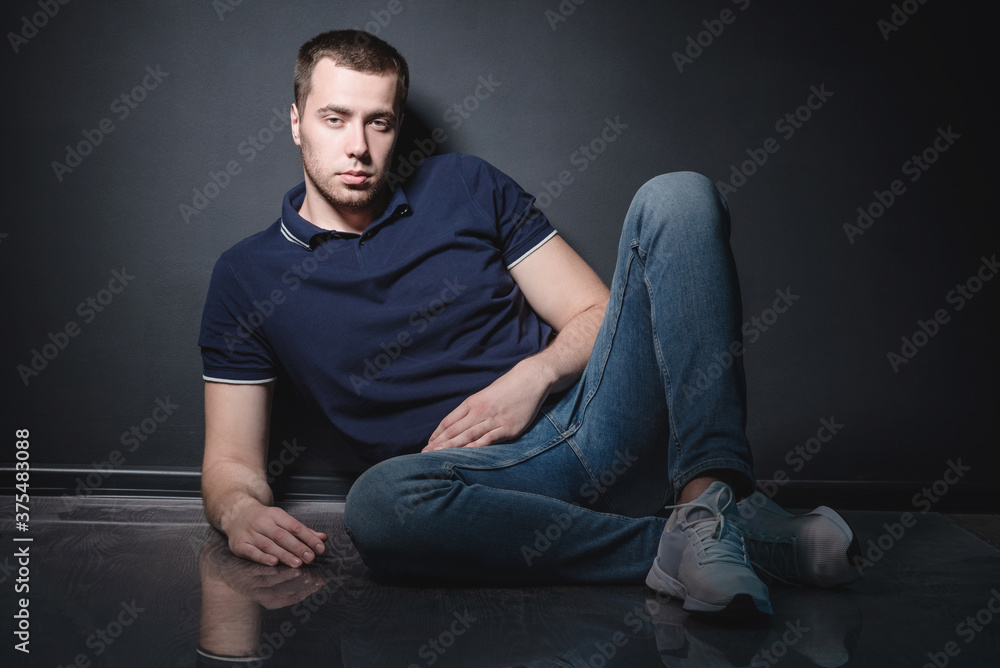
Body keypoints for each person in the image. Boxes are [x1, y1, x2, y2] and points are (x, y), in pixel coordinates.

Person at [199, 29, 860, 618]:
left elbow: (596, 313)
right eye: (334, 118)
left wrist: (533, 375)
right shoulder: (246, 276)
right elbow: (230, 460)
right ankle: (706, 542)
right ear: (295, 122)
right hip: (477, 488)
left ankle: (713, 497)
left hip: (590, 425)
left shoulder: (464, 185)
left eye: (379, 122)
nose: (358, 146)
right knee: (377, 506)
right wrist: (238, 511)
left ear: (397, 126)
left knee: (679, 194)